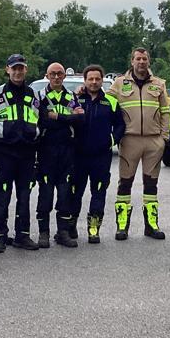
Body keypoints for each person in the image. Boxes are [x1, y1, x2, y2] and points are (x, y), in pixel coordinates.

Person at [107, 47, 170, 240]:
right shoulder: (119, 84)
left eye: (144, 59)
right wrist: (83, 90)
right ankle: (122, 226)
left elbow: (165, 111)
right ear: (132, 61)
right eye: (138, 59)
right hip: (130, 140)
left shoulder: (159, 84)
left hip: (153, 141)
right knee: (125, 183)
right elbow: (104, 104)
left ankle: (151, 225)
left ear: (148, 61)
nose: (141, 62)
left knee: (151, 185)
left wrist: (164, 136)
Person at [0, 54, 41, 252]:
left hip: (27, 154)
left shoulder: (33, 94)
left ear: (26, 69)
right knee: (2, 196)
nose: (18, 72)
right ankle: (0, 236)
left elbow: (41, 121)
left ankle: (22, 236)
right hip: (4, 154)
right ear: (7, 70)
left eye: (21, 68)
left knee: (24, 196)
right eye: (14, 68)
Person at [71, 64, 124, 244]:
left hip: (101, 156)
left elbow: (120, 125)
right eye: (90, 79)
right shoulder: (75, 99)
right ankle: (70, 227)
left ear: (102, 81)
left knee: (98, 193)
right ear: (84, 80)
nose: (94, 82)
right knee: (74, 193)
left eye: (97, 79)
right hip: (78, 156)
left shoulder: (111, 102)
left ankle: (94, 228)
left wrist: (111, 141)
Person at [35, 62, 84, 248]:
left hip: (67, 152)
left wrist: (59, 118)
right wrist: (67, 119)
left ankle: (62, 232)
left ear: (64, 76)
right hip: (46, 152)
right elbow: (43, 121)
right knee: (45, 194)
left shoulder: (71, 96)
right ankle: (43, 232)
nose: (56, 77)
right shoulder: (40, 97)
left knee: (65, 195)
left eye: (60, 74)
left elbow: (80, 119)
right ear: (47, 76)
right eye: (53, 74)